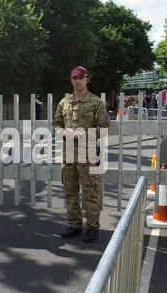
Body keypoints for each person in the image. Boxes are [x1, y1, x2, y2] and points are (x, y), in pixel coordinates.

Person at [52, 66, 110, 243]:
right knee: (70, 191)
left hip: (89, 154)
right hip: (68, 154)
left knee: (90, 192)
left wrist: (81, 134)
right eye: (74, 78)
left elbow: (105, 128)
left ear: (87, 79)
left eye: (80, 78)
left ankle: (92, 227)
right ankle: (75, 225)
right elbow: (55, 124)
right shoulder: (65, 102)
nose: (77, 81)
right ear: (71, 80)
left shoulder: (95, 102)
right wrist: (62, 132)